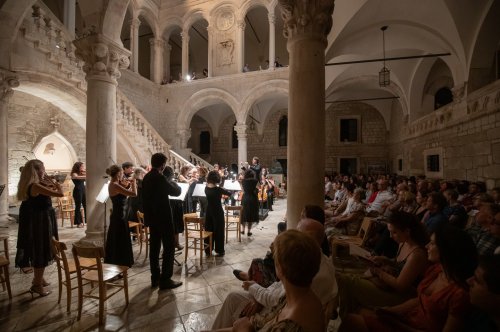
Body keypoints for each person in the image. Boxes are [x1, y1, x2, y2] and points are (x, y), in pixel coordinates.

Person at [341, 225, 478, 332]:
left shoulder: (460, 294)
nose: (427, 246)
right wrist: (390, 311)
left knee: (351, 319)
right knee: (356, 314)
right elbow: (418, 299)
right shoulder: (436, 271)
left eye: (432, 244)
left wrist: (399, 322)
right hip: (410, 318)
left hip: (415, 328)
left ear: (447, 250)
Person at [211, 222, 335, 331]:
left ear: (280, 269)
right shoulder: (293, 296)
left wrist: (244, 329)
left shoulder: (290, 324)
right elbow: (264, 319)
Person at [337, 211, 429, 318]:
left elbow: (400, 286)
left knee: (347, 281)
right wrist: (385, 260)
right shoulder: (403, 243)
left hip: (402, 297)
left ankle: (346, 318)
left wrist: (377, 271)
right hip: (390, 287)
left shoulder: (417, 254)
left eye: (394, 232)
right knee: (350, 284)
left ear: (407, 231)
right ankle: (349, 318)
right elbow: (398, 263)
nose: (390, 236)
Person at [15, 159, 63, 297]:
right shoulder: (35, 186)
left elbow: (48, 192)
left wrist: (48, 182)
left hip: (36, 220)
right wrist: (54, 182)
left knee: (38, 249)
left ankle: (39, 278)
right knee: (41, 250)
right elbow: (60, 193)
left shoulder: (31, 185)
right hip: (39, 223)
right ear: (37, 171)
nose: (45, 171)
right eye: (43, 169)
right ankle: (36, 285)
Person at [142, 153, 182, 289]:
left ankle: (155, 278)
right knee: (169, 247)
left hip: (152, 218)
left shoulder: (146, 177)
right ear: (163, 165)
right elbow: (176, 191)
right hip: (163, 218)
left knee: (154, 248)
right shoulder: (160, 177)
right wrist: (171, 180)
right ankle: (165, 279)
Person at [104, 164, 137, 268]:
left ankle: (118, 261)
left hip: (119, 214)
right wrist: (134, 182)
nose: (123, 174)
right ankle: (121, 262)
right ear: (118, 173)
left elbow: (124, 191)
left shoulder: (115, 183)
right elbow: (133, 194)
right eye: (122, 172)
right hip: (119, 216)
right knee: (120, 240)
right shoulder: (115, 185)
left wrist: (128, 184)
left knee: (118, 239)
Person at [204, 170, 232, 257]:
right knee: (219, 231)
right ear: (217, 179)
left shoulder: (206, 188)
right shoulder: (218, 189)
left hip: (208, 212)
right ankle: (219, 250)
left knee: (209, 229)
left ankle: (208, 250)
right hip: (218, 212)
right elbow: (229, 194)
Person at [240, 169, 259, 236]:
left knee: (243, 213)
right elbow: (257, 189)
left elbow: (242, 190)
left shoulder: (243, 181)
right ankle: (248, 231)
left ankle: (242, 230)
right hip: (253, 198)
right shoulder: (255, 181)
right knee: (251, 214)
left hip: (245, 198)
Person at [70, 161, 86, 228]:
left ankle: (88, 221)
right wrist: (86, 174)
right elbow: (77, 177)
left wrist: (84, 173)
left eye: (83, 166)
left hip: (83, 190)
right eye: (82, 166)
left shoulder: (81, 173)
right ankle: (78, 223)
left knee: (86, 205)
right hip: (77, 191)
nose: (83, 167)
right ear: (78, 167)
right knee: (78, 206)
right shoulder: (74, 174)